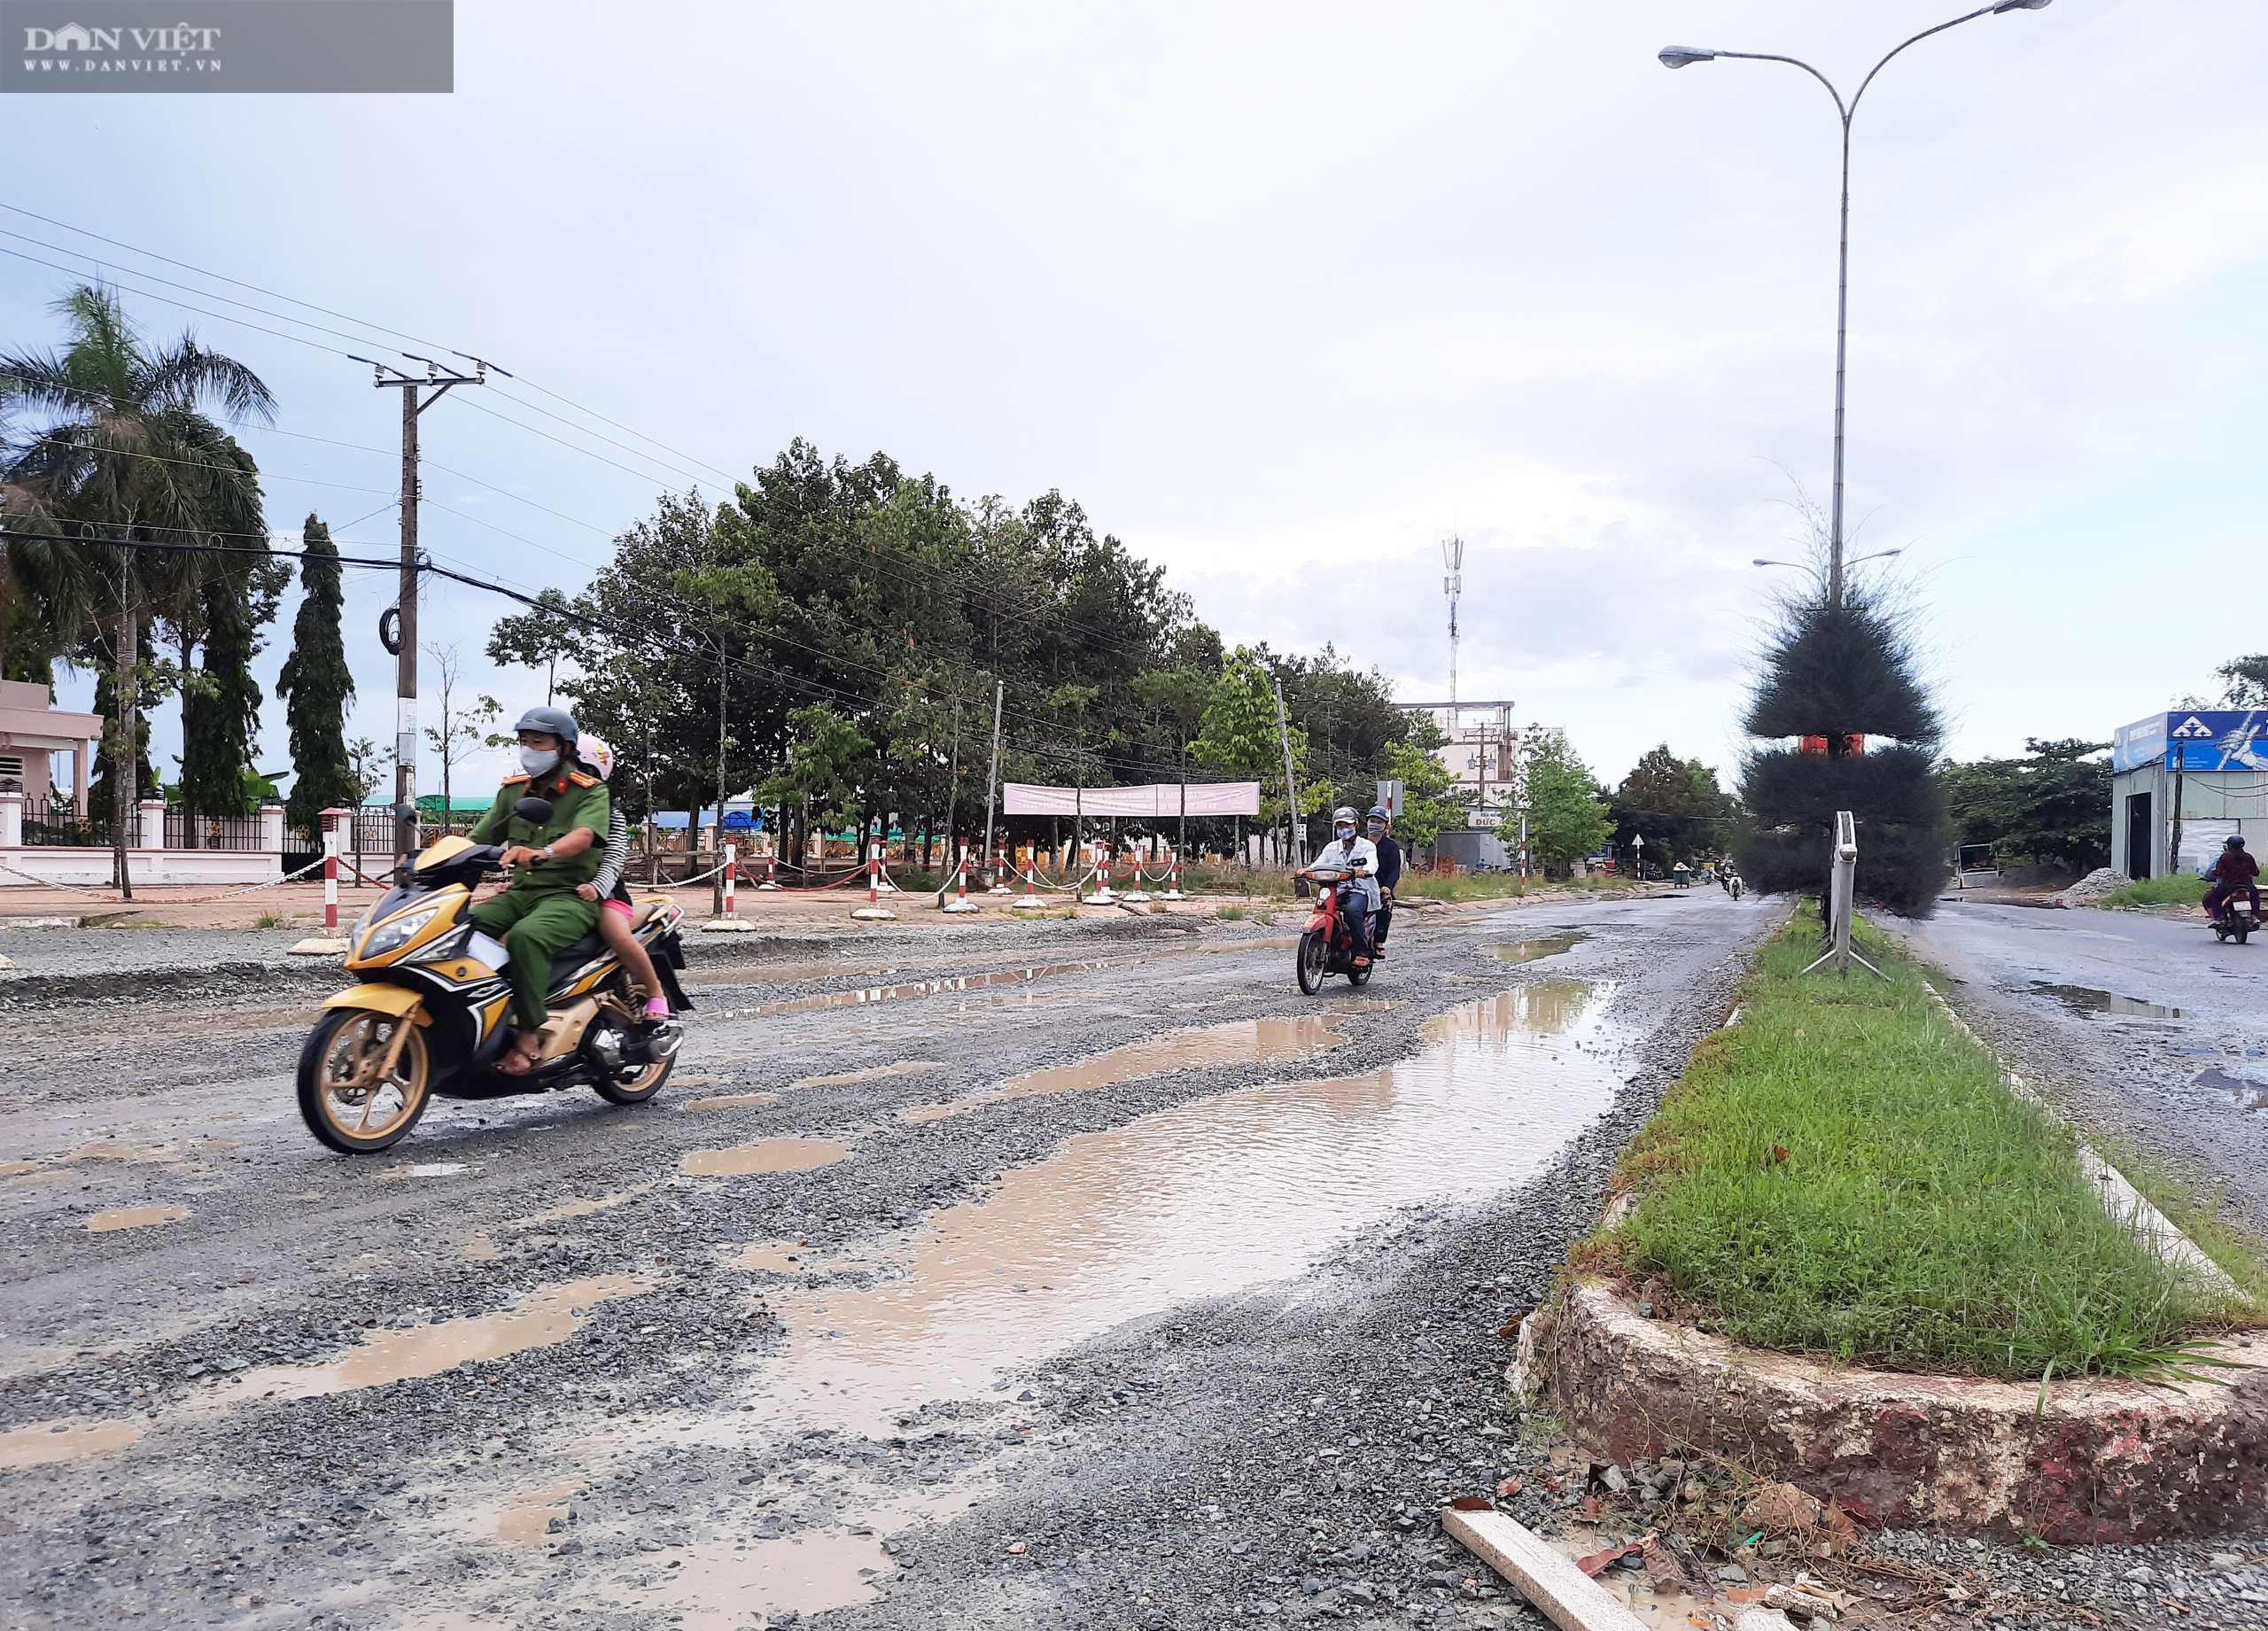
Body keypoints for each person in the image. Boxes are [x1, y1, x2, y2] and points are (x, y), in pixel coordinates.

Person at [468, 706, 611, 1076]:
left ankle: (530, 1036)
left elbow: (584, 836)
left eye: (538, 742)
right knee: (460, 926)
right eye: (524, 741)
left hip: (570, 896)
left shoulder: (590, 792)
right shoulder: (514, 792)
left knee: (526, 938)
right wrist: (425, 857)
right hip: (520, 894)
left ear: (563, 748)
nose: (528, 749)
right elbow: (476, 839)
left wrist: (543, 853)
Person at [571, 733, 672, 1026]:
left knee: (616, 935)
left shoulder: (609, 814)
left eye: (577, 769)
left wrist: (597, 887)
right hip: (561, 892)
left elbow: (614, 857)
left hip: (607, 895)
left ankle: (655, 992)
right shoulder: (554, 810)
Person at [1313, 805, 1380, 967]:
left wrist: (1365, 871)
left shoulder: (1367, 846)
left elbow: (1372, 864)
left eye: (1347, 825)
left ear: (1356, 825)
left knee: (1352, 910)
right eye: (1340, 826)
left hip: (1361, 888)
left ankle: (1362, 952)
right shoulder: (1331, 848)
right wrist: (1306, 871)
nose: (1344, 829)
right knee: (1322, 908)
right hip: (1336, 888)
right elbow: (1318, 864)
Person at [1365, 804, 1402, 959]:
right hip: (1359, 886)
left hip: (1380, 888)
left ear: (1386, 826)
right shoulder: (1358, 842)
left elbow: (1395, 870)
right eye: (1372, 821)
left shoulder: (1391, 846)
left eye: (1379, 822)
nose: (1375, 824)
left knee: (1385, 907)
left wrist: (1387, 886)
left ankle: (1379, 942)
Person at [2202, 834, 2261, 923]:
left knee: (2214, 896)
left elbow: (2219, 872)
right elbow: (2256, 873)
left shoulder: (2224, 857)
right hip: (2247, 886)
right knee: (2255, 897)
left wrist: (2215, 873)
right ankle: (2254, 917)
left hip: (2228, 886)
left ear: (2229, 845)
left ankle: (2218, 918)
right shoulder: (2248, 857)